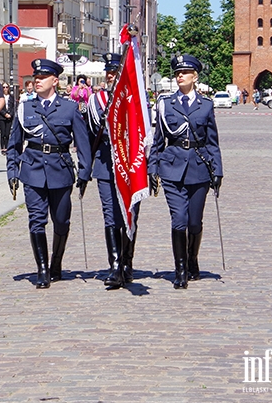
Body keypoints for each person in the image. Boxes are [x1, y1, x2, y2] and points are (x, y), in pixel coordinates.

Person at [6, 59, 91, 289]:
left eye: (43, 77)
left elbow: (83, 143)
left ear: (55, 81)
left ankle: (56, 262)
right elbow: (14, 143)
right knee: (36, 220)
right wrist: (12, 170)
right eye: (36, 77)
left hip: (60, 170)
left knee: (61, 221)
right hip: (32, 169)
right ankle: (42, 269)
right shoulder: (25, 107)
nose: (37, 81)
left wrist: (85, 171)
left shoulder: (69, 108)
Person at [147, 54, 223, 290]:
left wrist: (218, 170)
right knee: (178, 220)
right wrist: (153, 167)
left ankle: (192, 259)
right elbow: (158, 140)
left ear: (194, 76)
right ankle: (180, 270)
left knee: (194, 222)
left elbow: (212, 142)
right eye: (177, 72)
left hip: (199, 168)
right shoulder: (165, 104)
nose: (180, 76)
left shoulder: (206, 105)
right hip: (172, 167)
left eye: (185, 72)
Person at [85, 54, 140, 289]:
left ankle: (127, 263)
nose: (110, 75)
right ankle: (115, 266)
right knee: (110, 215)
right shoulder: (97, 101)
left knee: (130, 214)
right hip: (106, 165)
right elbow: (91, 134)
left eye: (115, 71)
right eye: (108, 71)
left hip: (130, 166)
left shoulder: (134, 99)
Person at [0, 83, 14, 154]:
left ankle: (7, 147)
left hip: (9, 117)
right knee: (3, 133)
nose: (5, 89)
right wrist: (4, 114)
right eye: (3, 87)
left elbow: (13, 107)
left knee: (7, 134)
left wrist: (10, 114)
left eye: (6, 87)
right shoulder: (0, 97)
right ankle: (3, 148)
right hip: (2, 117)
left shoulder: (11, 97)